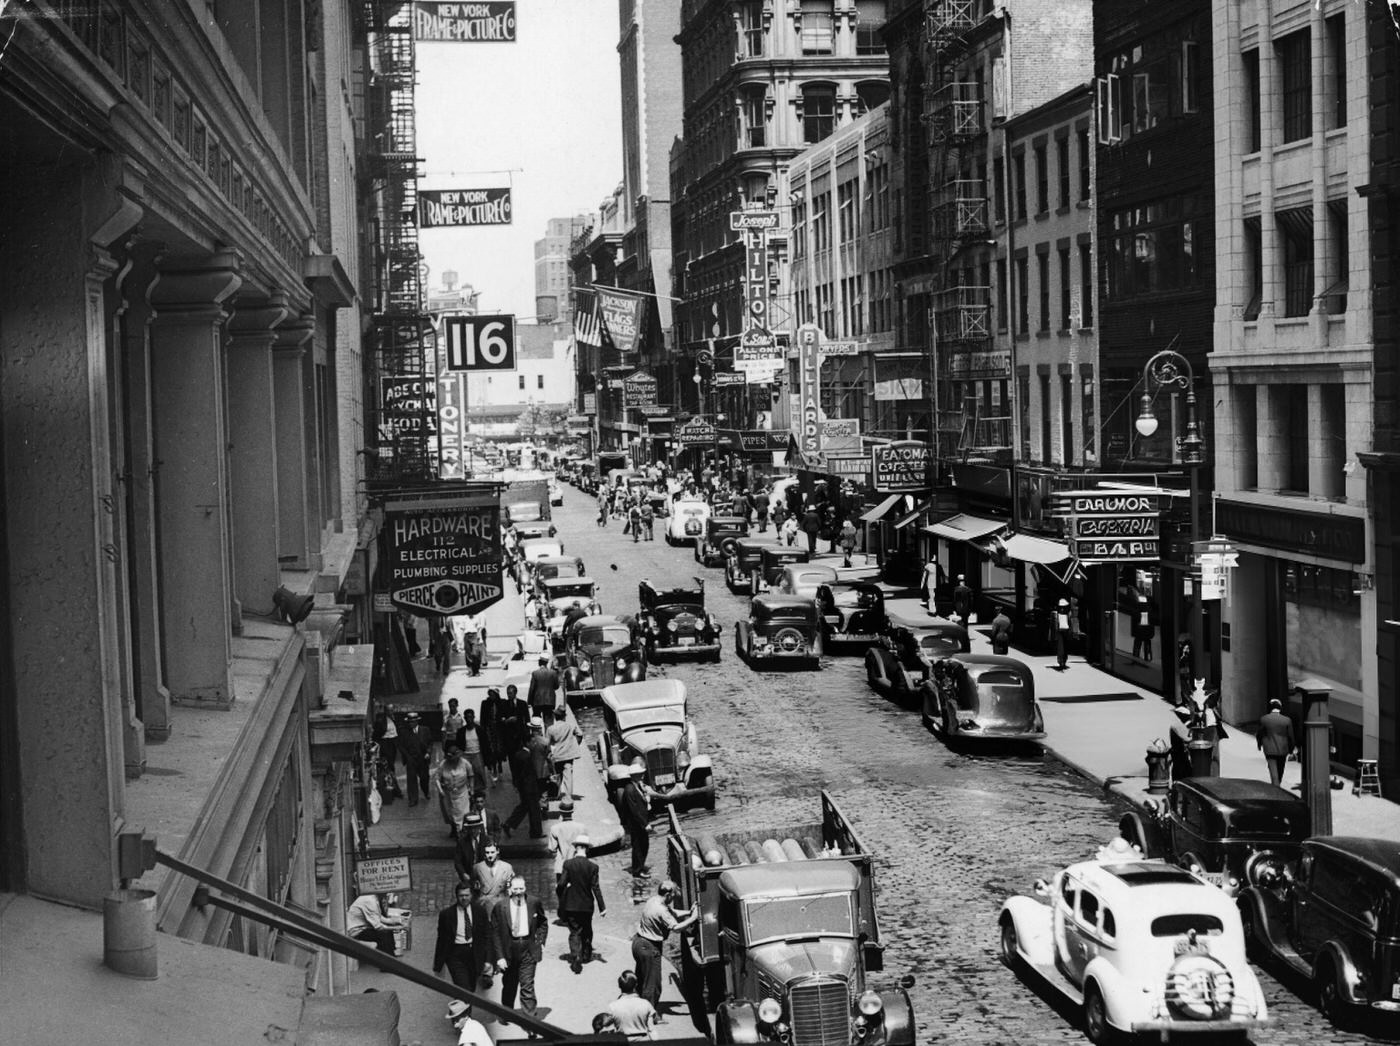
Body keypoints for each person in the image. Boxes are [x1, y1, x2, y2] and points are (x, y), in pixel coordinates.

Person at [632, 880, 699, 1011]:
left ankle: (637, 1009)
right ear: (668, 894)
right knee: (653, 984)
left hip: (638, 943)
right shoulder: (661, 910)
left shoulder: (654, 900)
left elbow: (672, 912)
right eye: (674, 895)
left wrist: (689, 912)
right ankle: (649, 1015)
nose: (674, 897)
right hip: (650, 947)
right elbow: (677, 928)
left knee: (641, 980)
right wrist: (694, 918)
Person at [490, 876, 548, 1016]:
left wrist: (539, 940)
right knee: (509, 985)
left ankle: (530, 1022)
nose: (518, 892)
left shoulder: (533, 903)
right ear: (510, 890)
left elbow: (543, 922)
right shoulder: (500, 907)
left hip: (528, 949)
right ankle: (507, 1012)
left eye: (521, 888)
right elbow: (495, 932)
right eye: (515, 889)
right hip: (509, 950)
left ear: (525, 888)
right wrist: (499, 957)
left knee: (527, 986)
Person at [557, 836, 607, 974]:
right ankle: (586, 954)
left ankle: (576, 956)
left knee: (574, 931)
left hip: (571, 905)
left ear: (576, 847)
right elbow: (596, 888)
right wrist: (602, 907)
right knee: (587, 929)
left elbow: (561, 884)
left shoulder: (568, 864)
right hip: (587, 906)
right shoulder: (593, 867)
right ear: (587, 848)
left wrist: (562, 893)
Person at [433, 883, 491, 990]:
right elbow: (441, 940)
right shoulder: (446, 915)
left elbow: (486, 936)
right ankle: (463, 1004)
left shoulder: (479, 911)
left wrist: (488, 960)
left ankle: (464, 1006)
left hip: (474, 953)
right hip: (455, 954)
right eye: (461, 895)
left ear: (471, 895)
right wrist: (438, 965)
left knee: (471, 988)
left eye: (466, 895)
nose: (464, 898)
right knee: (462, 988)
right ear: (456, 896)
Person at [504, 726, 546, 839]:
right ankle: (536, 832)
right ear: (527, 743)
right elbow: (526, 775)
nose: (534, 744)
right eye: (532, 742)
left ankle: (509, 824)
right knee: (534, 810)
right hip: (530, 787)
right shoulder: (527, 756)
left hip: (524, 787)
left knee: (524, 807)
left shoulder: (519, 754)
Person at [619, 764, 654, 877]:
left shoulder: (638, 785)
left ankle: (640, 865)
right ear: (635, 776)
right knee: (639, 846)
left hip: (640, 822)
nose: (642, 776)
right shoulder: (630, 789)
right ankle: (637, 870)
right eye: (640, 774)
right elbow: (634, 810)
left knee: (644, 844)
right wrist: (644, 824)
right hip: (636, 824)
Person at [436, 745, 477, 839]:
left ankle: (461, 833)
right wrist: (440, 790)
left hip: (462, 792)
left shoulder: (465, 763)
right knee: (450, 814)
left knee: (462, 813)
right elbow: (437, 778)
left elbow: (471, 776)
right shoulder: (443, 764)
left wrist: (472, 789)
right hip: (448, 793)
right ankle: (454, 828)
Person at [546, 707, 585, 800]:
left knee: (558, 775)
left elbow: (547, 743)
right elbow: (580, 734)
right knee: (568, 776)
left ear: (555, 717)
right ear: (564, 716)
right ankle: (568, 796)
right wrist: (575, 744)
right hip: (568, 755)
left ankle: (557, 794)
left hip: (557, 755)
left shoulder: (551, 728)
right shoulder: (571, 725)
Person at [1256, 698, 1297, 786]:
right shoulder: (1287, 720)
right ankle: (1278, 786)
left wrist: (1259, 744)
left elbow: (1259, 734)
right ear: (1280, 708)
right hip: (1283, 749)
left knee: (1273, 772)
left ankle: (1276, 787)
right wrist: (1291, 749)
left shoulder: (1264, 719)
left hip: (1269, 749)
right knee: (1280, 769)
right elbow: (1291, 736)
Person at [607, 970, 658, 1041]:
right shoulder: (646, 1004)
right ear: (636, 985)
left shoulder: (612, 1007)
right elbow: (651, 1030)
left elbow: (609, 1031)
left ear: (619, 986)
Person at [396, 712, 431, 806]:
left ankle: (426, 791)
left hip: (423, 758)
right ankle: (413, 799)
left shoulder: (425, 730)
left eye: (413, 721)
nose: (411, 723)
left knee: (424, 778)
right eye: (409, 722)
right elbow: (400, 746)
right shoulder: (404, 732)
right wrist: (407, 757)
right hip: (411, 758)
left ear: (417, 721)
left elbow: (430, 743)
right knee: (411, 779)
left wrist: (428, 752)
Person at [473, 842, 516, 913]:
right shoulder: (477, 868)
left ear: (497, 851)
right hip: (484, 904)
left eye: (492, 852)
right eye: (487, 852)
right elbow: (474, 889)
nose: (490, 855)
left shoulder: (507, 867)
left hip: (501, 904)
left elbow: (511, 888)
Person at [479, 688, 505, 781]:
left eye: (493, 694)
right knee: (492, 749)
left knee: (499, 748)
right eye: (490, 694)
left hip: (499, 728)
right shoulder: (485, 703)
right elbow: (482, 717)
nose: (491, 696)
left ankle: (500, 764)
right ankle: (494, 767)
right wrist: (483, 729)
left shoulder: (501, 702)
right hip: (490, 728)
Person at [459, 709, 488, 786]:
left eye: (470, 717)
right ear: (464, 718)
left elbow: (485, 744)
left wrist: (487, 759)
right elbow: (458, 745)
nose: (469, 719)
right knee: (465, 775)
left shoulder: (480, 730)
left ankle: (480, 792)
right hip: (465, 755)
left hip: (477, 754)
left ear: (473, 717)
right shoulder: (461, 731)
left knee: (480, 774)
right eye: (467, 717)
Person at [1169, 703, 1195, 781]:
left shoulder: (1178, 724)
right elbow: (1187, 739)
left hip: (1177, 752)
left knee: (1177, 770)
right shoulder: (1178, 725)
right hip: (1180, 753)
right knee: (1182, 771)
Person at [528, 656, 559, 720]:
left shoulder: (535, 673)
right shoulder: (553, 673)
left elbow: (532, 689)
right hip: (550, 701)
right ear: (546, 663)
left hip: (537, 701)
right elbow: (556, 686)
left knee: (536, 721)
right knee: (548, 721)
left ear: (539, 663)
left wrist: (529, 702)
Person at [1131, 595, 1154, 662]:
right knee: (1144, 643)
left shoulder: (1138, 610)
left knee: (1138, 643)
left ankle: (1136, 658)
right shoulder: (1149, 609)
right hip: (1145, 630)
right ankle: (1145, 658)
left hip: (1141, 630)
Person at [1053, 598, 1072, 671]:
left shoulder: (1068, 614)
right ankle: (1060, 661)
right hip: (1060, 632)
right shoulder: (1057, 614)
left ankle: (1064, 660)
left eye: (1064, 607)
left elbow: (1069, 623)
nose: (1062, 609)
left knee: (1066, 647)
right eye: (1061, 607)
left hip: (1066, 631)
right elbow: (1054, 625)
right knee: (1060, 647)